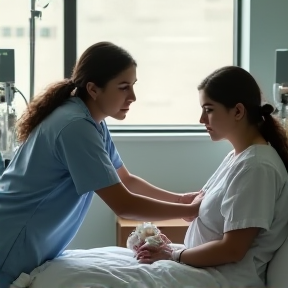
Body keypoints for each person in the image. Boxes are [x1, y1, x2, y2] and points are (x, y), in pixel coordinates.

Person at [0, 42, 203, 288]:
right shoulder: (75, 126)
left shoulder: (91, 121)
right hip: (9, 239)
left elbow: (125, 179)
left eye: (133, 86)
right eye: (123, 87)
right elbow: (123, 204)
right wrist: (188, 212)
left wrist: (180, 200)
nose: (133, 97)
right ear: (94, 89)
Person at [136, 66, 288, 287]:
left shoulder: (256, 167)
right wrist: (174, 250)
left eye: (208, 109)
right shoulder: (238, 158)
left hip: (223, 279)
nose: (201, 119)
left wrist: (174, 256)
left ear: (237, 111)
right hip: (205, 270)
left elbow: (233, 250)